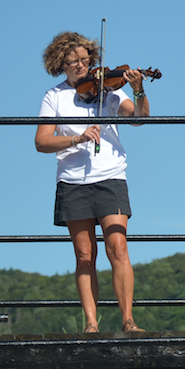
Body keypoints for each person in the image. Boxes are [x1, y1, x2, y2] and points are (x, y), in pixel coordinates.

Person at [35, 32, 148, 333]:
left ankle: (128, 320)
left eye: (85, 60)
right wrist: (77, 138)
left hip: (110, 175)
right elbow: (42, 141)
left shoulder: (110, 92)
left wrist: (138, 90)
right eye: (73, 62)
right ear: (61, 64)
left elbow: (139, 118)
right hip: (73, 181)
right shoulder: (54, 96)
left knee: (118, 247)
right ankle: (91, 323)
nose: (81, 66)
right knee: (85, 255)